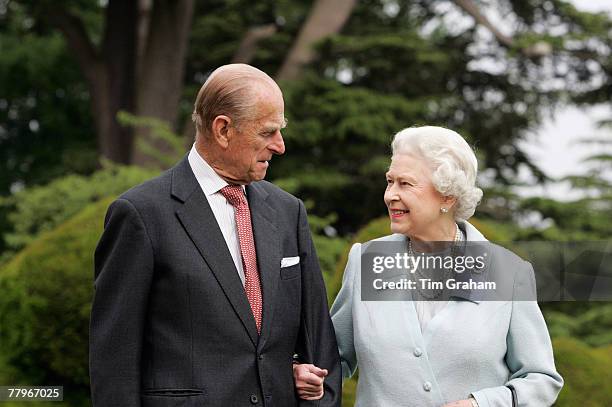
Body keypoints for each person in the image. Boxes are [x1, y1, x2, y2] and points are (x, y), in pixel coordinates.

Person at [90, 63, 341, 406]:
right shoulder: (140, 214)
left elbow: (320, 345)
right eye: (268, 132)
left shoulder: (288, 212)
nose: (280, 146)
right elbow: (113, 361)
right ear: (223, 129)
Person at [294, 126, 563, 406]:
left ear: (447, 196)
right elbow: (330, 358)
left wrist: (480, 404)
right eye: (390, 181)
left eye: (406, 184)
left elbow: (541, 379)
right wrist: (305, 373)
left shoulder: (508, 272)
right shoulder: (367, 261)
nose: (390, 195)